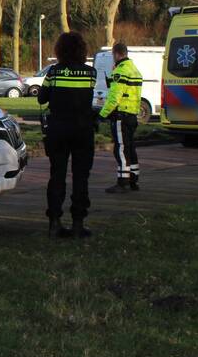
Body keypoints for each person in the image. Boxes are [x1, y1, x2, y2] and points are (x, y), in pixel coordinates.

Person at [37, 32, 97, 239]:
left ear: (60, 50)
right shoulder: (91, 73)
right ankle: (78, 224)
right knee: (81, 178)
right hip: (83, 130)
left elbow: (41, 99)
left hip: (58, 130)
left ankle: (54, 222)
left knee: (57, 176)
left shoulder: (53, 73)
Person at [98, 42, 143, 194]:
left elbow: (114, 97)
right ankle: (133, 179)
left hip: (121, 116)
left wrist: (101, 114)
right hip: (132, 114)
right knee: (130, 147)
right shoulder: (134, 70)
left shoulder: (121, 71)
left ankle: (122, 182)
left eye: (113, 55)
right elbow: (127, 92)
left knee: (121, 149)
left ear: (116, 54)